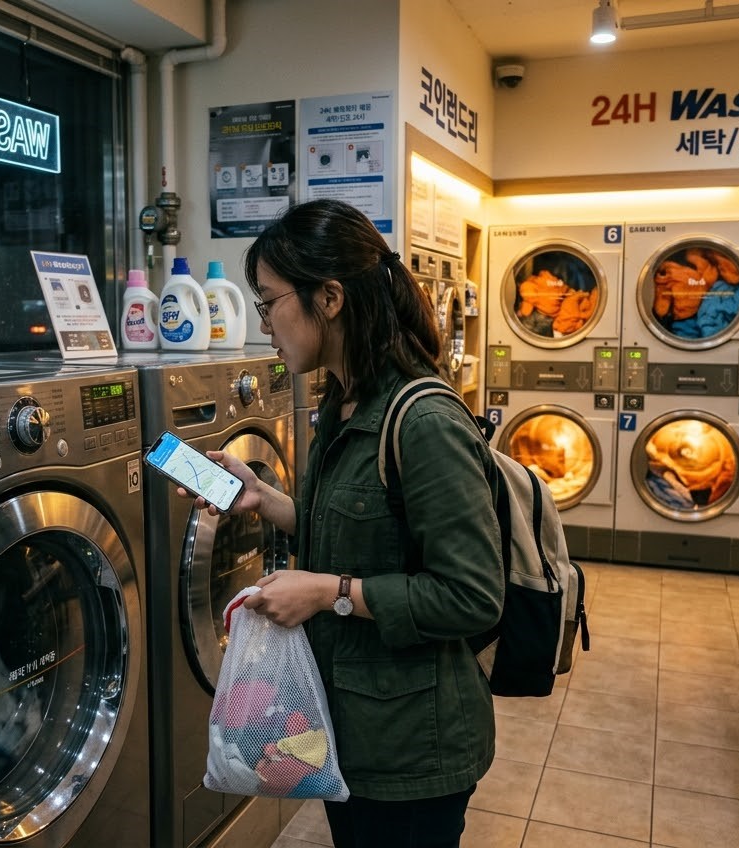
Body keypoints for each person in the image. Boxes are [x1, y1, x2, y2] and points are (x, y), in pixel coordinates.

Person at [183, 199, 504, 848]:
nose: (264, 322)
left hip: (415, 749)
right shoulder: (343, 401)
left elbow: (472, 595)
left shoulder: (423, 421)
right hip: (351, 730)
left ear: (328, 298)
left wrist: (327, 593)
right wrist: (268, 501)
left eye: (270, 301)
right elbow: (370, 537)